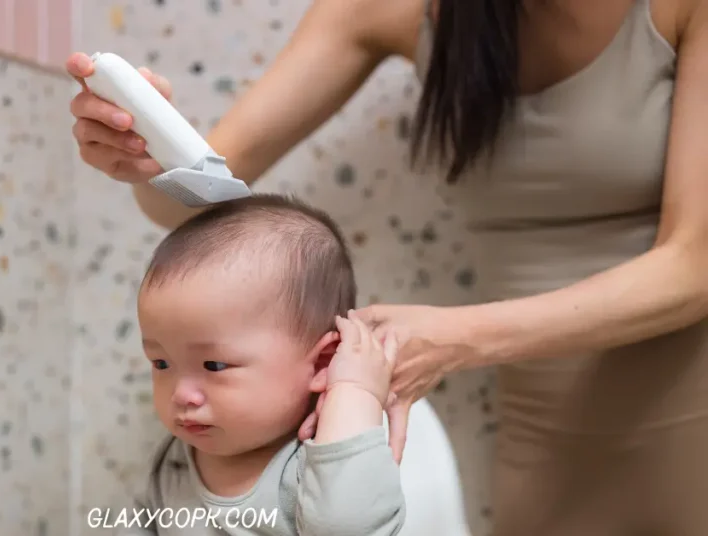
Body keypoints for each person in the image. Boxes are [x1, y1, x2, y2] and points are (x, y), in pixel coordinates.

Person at [67, 0, 708, 533]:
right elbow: (197, 194)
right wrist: (147, 158)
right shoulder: (385, 8)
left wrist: (454, 339)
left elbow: (693, 266)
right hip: (542, 433)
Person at [126, 193, 405, 535]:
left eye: (213, 365)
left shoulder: (314, 468)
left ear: (322, 362)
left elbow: (348, 528)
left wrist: (356, 392)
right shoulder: (174, 460)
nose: (181, 395)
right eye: (161, 363)